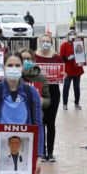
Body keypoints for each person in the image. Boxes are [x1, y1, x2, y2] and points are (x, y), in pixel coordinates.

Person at [34, 33, 62, 161]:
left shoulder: (57, 57)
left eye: (48, 41)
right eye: (43, 40)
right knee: (40, 122)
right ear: (39, 42)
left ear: (51, 43)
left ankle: (50, 152)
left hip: (53, 92)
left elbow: (62, 71)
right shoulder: (34, 57)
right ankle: (41, 152)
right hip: (38, 91)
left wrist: (63, 74)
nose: (45, 43)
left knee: (51, 123)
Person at [60, 30, 85, 110]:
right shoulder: (64, 45)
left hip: (77, 69)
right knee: (66, 87)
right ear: (67, 36)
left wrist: (83, 56)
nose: (72, 36)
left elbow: (81, 54)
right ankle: (65, 103)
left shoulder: (78, 44)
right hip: (68, 70)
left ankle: (77, 103)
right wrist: (68, 58)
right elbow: (62, 58)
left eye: (74, 34)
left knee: (76, 87)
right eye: (70, 34)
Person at [20, 48, 51, 112]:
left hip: (35, 113)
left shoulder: (40, 78)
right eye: (23, 59)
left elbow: (47, 98)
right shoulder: (14, 76)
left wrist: (43, 101)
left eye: (28, 59)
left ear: (33, 60)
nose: (25, 61)